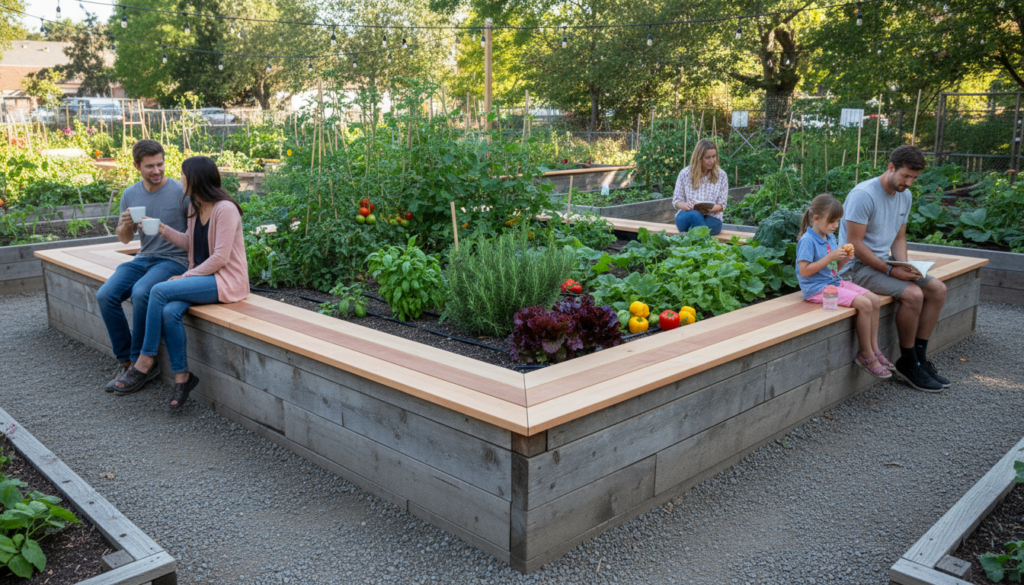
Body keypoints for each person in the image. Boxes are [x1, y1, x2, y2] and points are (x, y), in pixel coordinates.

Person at [113, 156, 248, 407]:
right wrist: (162, 228)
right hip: (203, 278)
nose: (180, 179)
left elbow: (220, 257)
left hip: (224, 281)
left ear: (195, 178)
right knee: (169, 311)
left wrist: (186, 275)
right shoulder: (195, 206)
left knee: (158, 291)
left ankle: (144, 361)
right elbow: (191, 243)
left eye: (184, 175)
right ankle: (182, 377)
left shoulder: (225, 209)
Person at [839, 145, 948, 393]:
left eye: (914, 178)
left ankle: (919, 357)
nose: (908, 182)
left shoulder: (904, 195)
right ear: (891, 167)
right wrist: (890, 271)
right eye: (905, 176)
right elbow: (853, 244)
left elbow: (899, 238)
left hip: (885, 262)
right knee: (913, 294)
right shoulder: (863, 195)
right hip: (855, 267)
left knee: (937, 289)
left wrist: (906, 267)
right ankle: (908, 361)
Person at [96, 140, 189, 394]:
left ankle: (141, 365)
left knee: (141, 292)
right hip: (143, 257)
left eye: (160, 164)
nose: (157, 170)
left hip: (174, 260)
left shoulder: (181, 191)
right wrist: (126, 224)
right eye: (150, 166)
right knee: (105, 295)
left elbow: (194, 237)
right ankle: (125, 361)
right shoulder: (130, 194)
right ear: (137, 166)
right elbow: (125, 238)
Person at [796, 194, 891, 379]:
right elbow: (805, 271)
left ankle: (875, 348)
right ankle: (866, 355)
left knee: (873, 300)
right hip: (816, 288)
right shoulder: (807, 241)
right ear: (816, 218)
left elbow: (833, 269)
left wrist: (845, 259)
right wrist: (830, 257)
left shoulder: (829, 237)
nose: (835, 226)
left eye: (838, 221)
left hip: (832, 282)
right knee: (864, 304)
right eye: (832, 221)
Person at [672, 139, 729, 236]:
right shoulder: (685, 174)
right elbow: (676, 201)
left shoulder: (721, 175)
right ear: (699, 158)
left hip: (712, 217)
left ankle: (691, 236)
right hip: (687, 216)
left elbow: (722, 205)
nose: (712, 161)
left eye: (714, 156)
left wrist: (709, 209)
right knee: (696, 215)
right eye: (708, 157)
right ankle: (705, 247)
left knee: (699, 227)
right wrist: (685, 206)